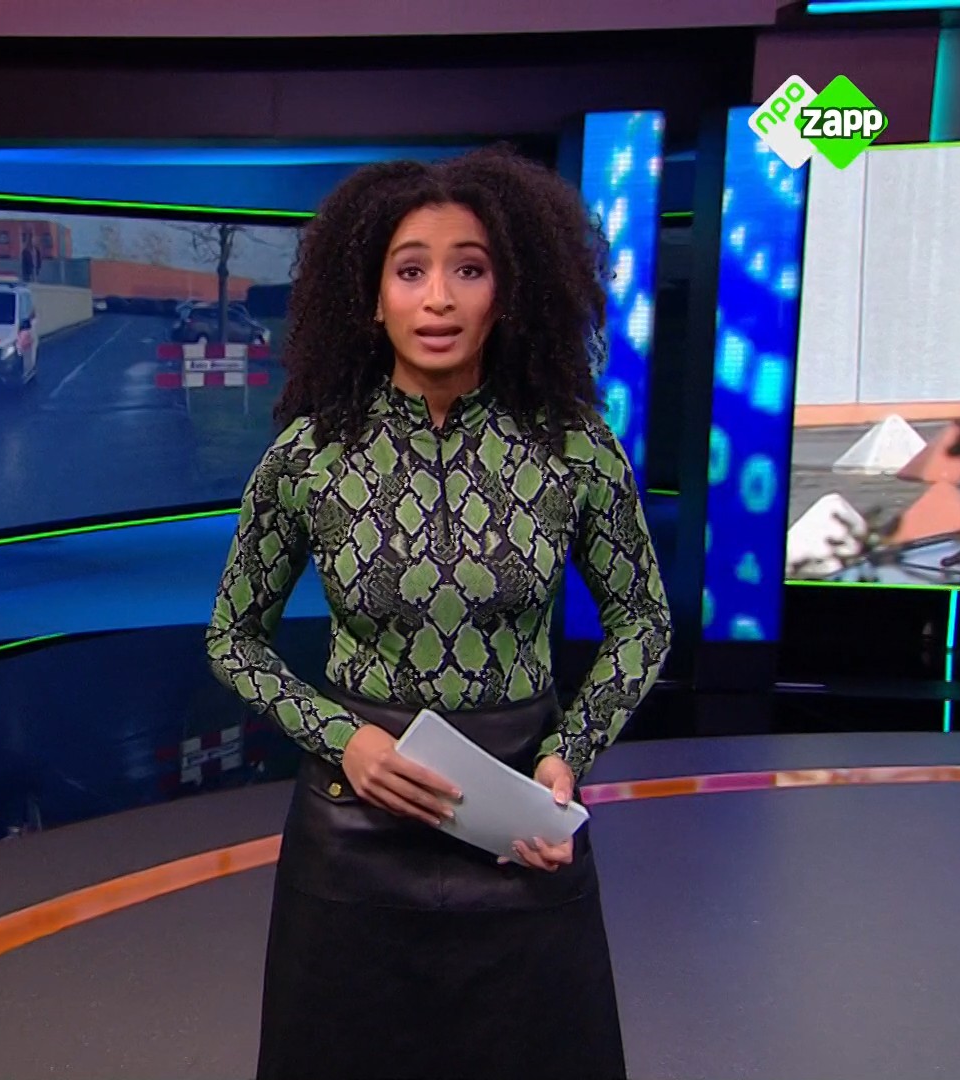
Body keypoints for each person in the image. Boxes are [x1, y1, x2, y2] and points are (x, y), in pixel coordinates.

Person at [205, 146, 672, 1080]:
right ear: (371, 298)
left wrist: (567, 755)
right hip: (353, 832)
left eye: (470, 269)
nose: (440, 300)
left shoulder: (576, 447)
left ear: (509, 293)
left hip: (519, 826)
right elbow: (232, 637)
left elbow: (643, 622)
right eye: (411, 271)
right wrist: (344, 740)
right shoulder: (308, 456)